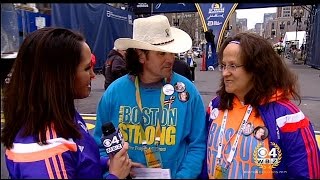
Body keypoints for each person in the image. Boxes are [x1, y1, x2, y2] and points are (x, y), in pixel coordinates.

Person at [1, 27, 134, 179]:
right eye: (87, 68)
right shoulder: (46, 150)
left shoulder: (63, 114)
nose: (93, 75)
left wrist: (108, 164)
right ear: (60, 76)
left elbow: (80, 159)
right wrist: (115, 176)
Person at [93, 15, 206, 179]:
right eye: (161, 53)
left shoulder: (188, 92)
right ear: (141, 56)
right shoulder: (114, 93)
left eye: (171, 51)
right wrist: (114, 172)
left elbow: (197, 145)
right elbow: (100, 146)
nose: (170, 58)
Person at [202, 32, 320, 179]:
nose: (225, 73)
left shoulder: (289, 118)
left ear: (256, 68)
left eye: (233, 66)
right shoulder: (216, 105)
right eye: (223, 65)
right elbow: (202, 155)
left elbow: (307, 174)